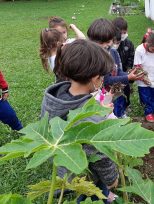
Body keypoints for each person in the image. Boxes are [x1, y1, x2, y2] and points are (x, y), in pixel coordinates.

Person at [39, 40, 118, 203]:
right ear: (95, 78)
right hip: (84, 174)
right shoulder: (90, 118)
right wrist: (112, 178)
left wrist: (100, 110)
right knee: (91, 196)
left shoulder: (53, 97)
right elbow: (100, 155)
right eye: (101, 77)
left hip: (62, 166)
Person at [87, 18, 143, 119]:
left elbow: (118, 71)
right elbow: (107, 79)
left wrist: (130, 75)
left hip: (109, 93)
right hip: (100, 95)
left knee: (113, 108)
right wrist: (128, 78)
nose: (105, 46)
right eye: (101, 43)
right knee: (104, 114)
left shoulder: (113, 52)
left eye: (108, 41)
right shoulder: (92, 60)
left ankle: (118, 115)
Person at [134, 29, 154, 123]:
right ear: (147, 43)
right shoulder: (140, 50)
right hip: (142, 79)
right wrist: (144, 78)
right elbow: (137, 66)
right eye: (153, 49)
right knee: (145, 96)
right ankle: (148, 112)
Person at [112, 17, 135, 114]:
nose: (123, 35)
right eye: (121, 33)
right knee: (116, 93)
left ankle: (126, 106)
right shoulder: (113, 45)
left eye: (125, 32)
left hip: (125, 73)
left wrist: (128, 69)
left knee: (126, 90)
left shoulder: (128, 43)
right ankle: (116, 109)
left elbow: (131, 57)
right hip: (115, 74)